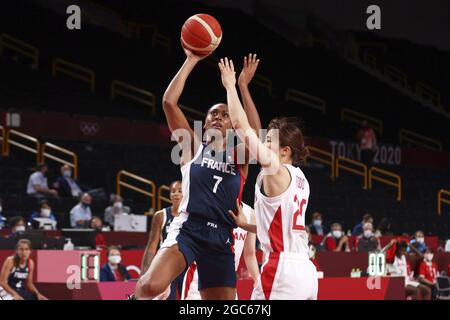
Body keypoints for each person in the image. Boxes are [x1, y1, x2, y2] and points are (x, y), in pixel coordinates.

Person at [134, 51, 261, 300]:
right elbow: (169, 102)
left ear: (233, 125)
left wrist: (242, 87)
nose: (218, 118)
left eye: (225, 115)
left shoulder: (240, 156)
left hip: (222, 235)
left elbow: (255, 133)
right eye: (213, 113)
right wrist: (192, 58)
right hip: (189, 228)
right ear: (204, 121)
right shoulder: (192, 147)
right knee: (150, 286)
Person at [219, 56, 318, 300]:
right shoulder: (300, 178)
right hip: (306, 271)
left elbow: (243, 129)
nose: (264, 142)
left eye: (269, 141)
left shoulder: (273, 169)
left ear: (285, 151)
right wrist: (244, 87)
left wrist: (230, 86)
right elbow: (280, 227)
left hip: (282, 270)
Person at [181, 202, 260, 300]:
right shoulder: (210, 203)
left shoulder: (250, 213)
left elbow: (250, 254)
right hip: (200, 276)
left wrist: (257, 280)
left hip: (228, 281)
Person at [140, 180, 183, 300]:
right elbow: (151, 246)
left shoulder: (192, 215)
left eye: (180, 191)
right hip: (167, 266)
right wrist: (144, 273)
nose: (176, 194)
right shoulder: (161, 215)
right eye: (173, 191)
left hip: (185, 265)